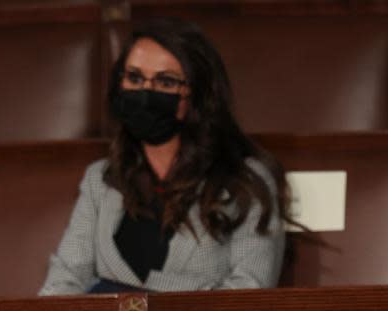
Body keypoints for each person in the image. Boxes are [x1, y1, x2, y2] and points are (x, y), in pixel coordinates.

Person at [40, 18, 286, 295]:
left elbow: (250, 289)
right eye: (134, 78)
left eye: (165, 82)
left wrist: (140, 301)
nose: (146, 93)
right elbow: (62, 284)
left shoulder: (245, 181)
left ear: (197, 94)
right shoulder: (99, 179)